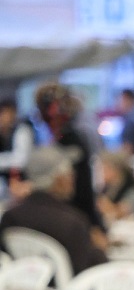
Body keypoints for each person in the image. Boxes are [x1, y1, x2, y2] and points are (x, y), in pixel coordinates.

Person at [1, 147, 108, 274]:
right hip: (66, 286)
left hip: (21, 284)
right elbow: (87, 271)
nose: (73, 179)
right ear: (59, 179)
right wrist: (100, 250)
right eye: (70, 174)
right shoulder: (72, 222)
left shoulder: (10, 217)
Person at [34, 82, 103, 230]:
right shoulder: (64, 137)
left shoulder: (69, 139)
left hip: (74, 217)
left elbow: (80, 190)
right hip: (72, 216)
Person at [96, 151, 134, 222]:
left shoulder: (131, 190)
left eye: (104, 168)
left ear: (115, 170)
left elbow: (126, 211)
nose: (101, 172)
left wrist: (109, 208)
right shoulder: (108, 189)